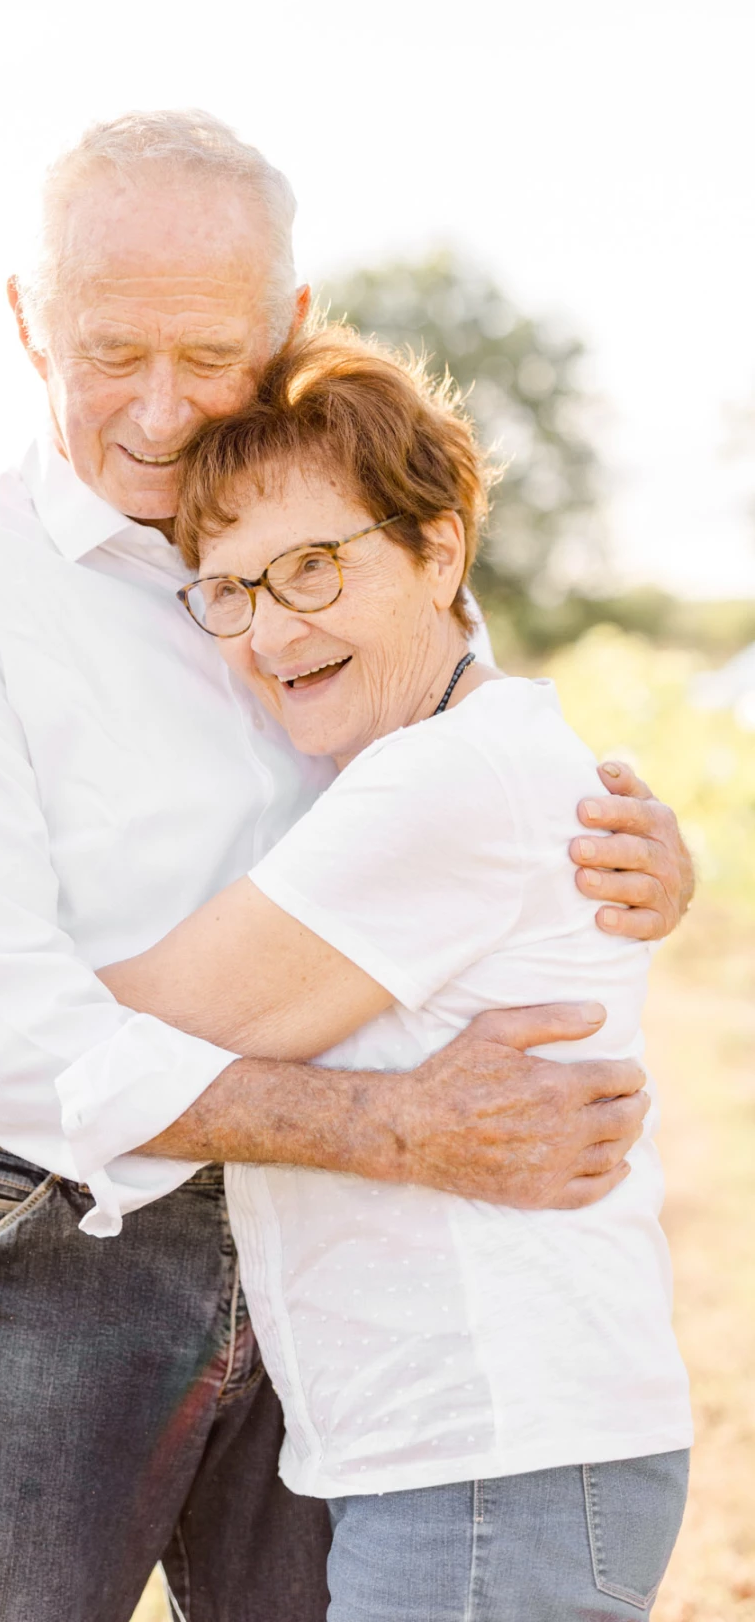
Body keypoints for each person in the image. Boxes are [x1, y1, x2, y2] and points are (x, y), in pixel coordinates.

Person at [0, 110, 693, 1622]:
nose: (163, 413)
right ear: (28, 322)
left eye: (211, 356)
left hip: (337, 1268)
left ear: (292, 323)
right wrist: (393, 1128)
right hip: (50, 1228)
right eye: (112, 354)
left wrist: (635, 856)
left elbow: (463, 759)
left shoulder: (335, 523)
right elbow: (24, 1048)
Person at [92, 326, 692, 1618]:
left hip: (493, 1463)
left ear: (439, 552)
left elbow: (118, 1030)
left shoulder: (441, 781)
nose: (270, 629)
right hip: (497, 1455)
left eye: (312, 567)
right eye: (231, 589)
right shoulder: (459, 751)